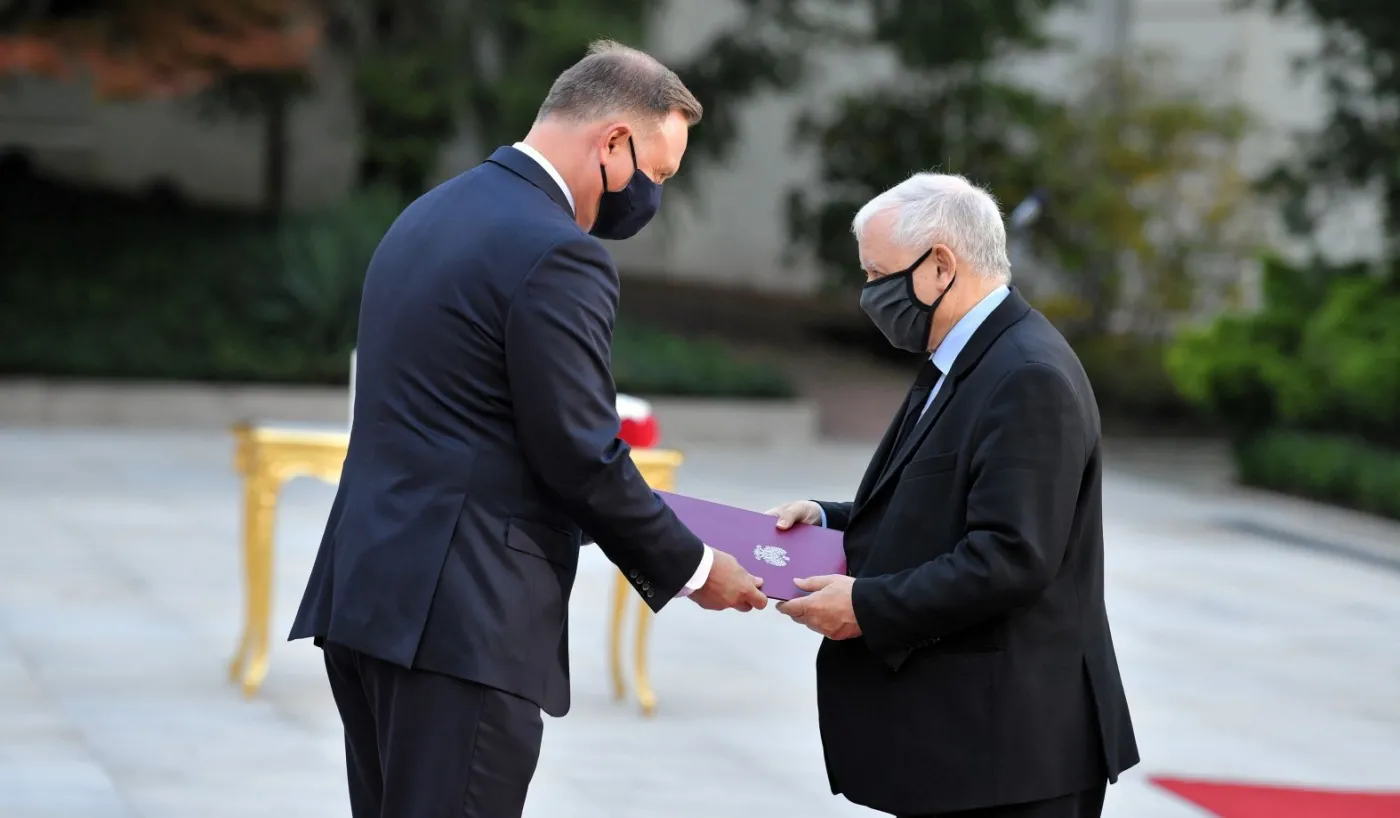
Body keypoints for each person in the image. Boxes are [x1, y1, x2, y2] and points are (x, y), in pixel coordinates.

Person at [288, 40, 767, 818]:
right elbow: (580, 454)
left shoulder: (427, 213)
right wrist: (693, 567)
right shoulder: (558, 253)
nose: (652, 198)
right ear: (613, 142)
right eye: (658, 174)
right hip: (462, 621)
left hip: (369, 595)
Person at [767, 173, 1139, 818]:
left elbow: (1010, 555)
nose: (869, 296)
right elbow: (942, 498)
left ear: (940, 265)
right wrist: (830, 520)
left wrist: (868, 606)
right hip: (970, 748)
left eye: (879, 276)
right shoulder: (968, 354)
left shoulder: (1027, 375)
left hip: (1011, 755)